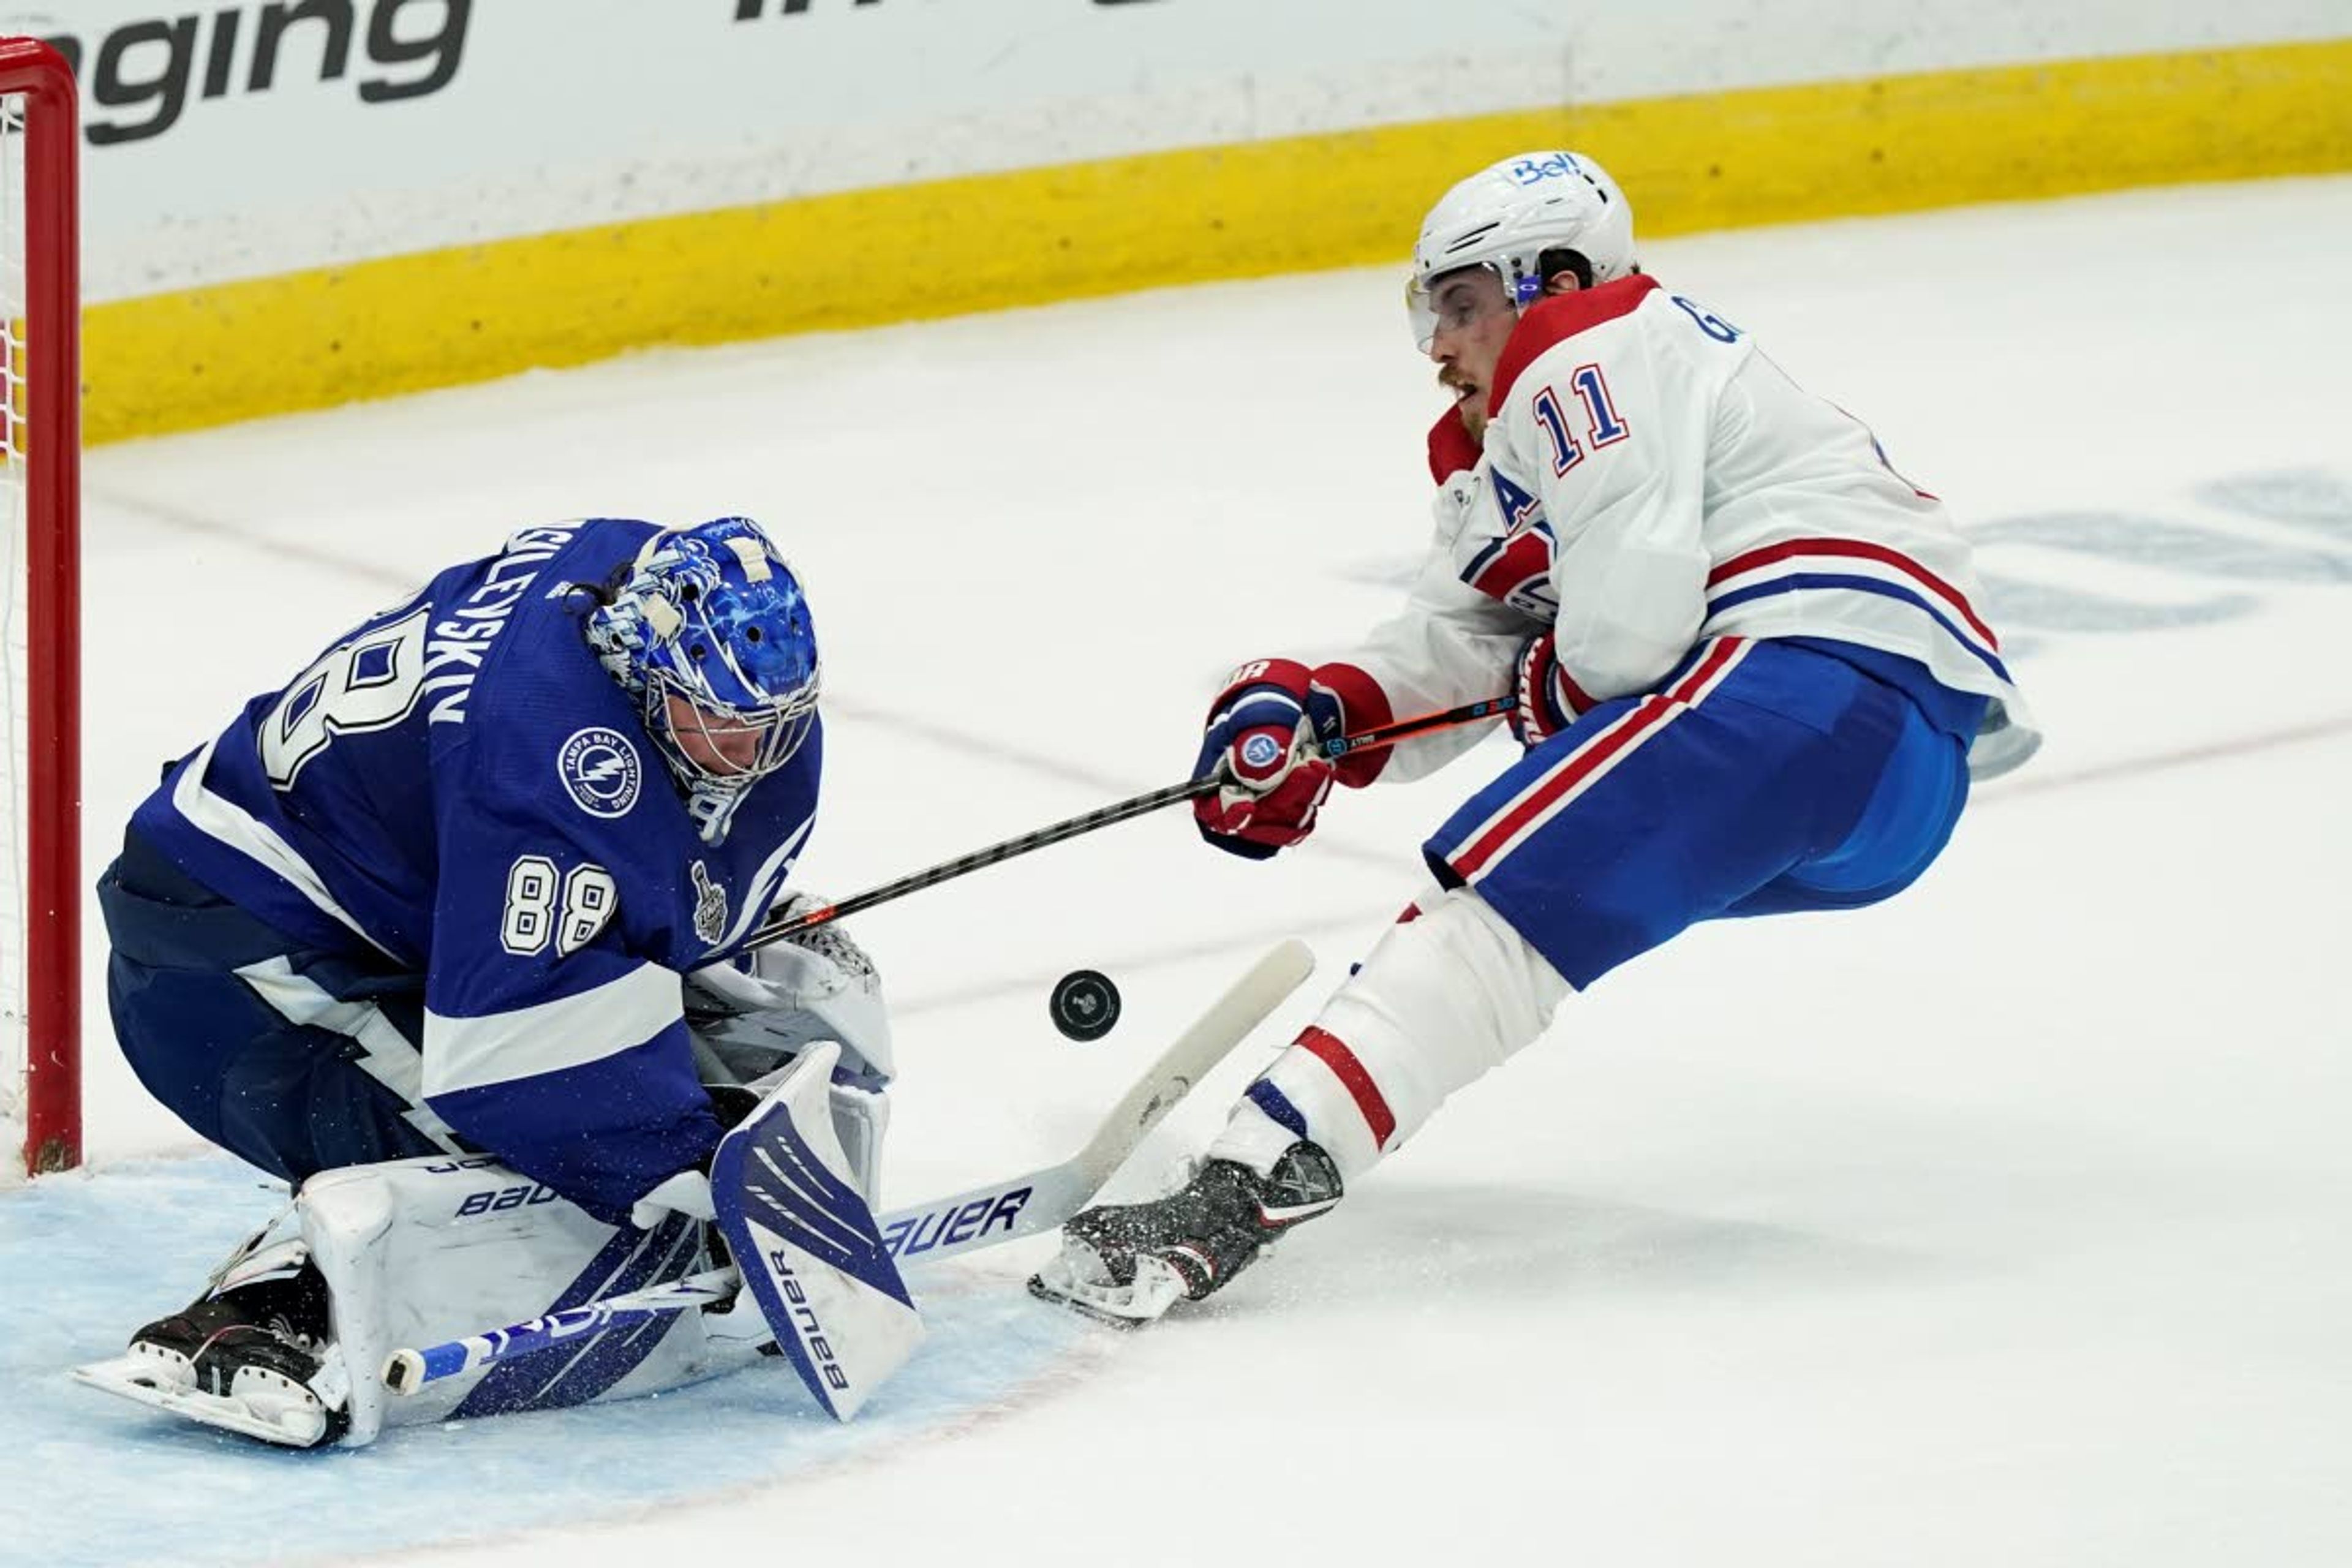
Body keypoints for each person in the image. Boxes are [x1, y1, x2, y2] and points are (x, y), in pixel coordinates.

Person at [1031, 150, 2040, 1323]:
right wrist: (1326, 715)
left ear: (1552, 278)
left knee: (1493, 915)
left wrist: (1547, 691)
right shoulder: (1532, 438)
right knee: (1524, 913)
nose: (1436, 343)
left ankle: (1236, 1193)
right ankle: (1280, 1154)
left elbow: (1626, 639)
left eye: (1462, 304)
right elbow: (1474, 639)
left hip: (1802, 680)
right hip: (1890, 785)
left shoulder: (1589, 344)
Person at [88, 514, 891, 1442]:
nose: (748, 755)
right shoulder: (541, 763)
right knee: (524, 1164)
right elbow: (507, 1063)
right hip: (223, 968)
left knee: (736, 1019)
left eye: (769, 724)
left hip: (385, 910)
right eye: (713, 722)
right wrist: (687, 1154)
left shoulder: (623, 594)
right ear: (638, 670)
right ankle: (266, 1304)